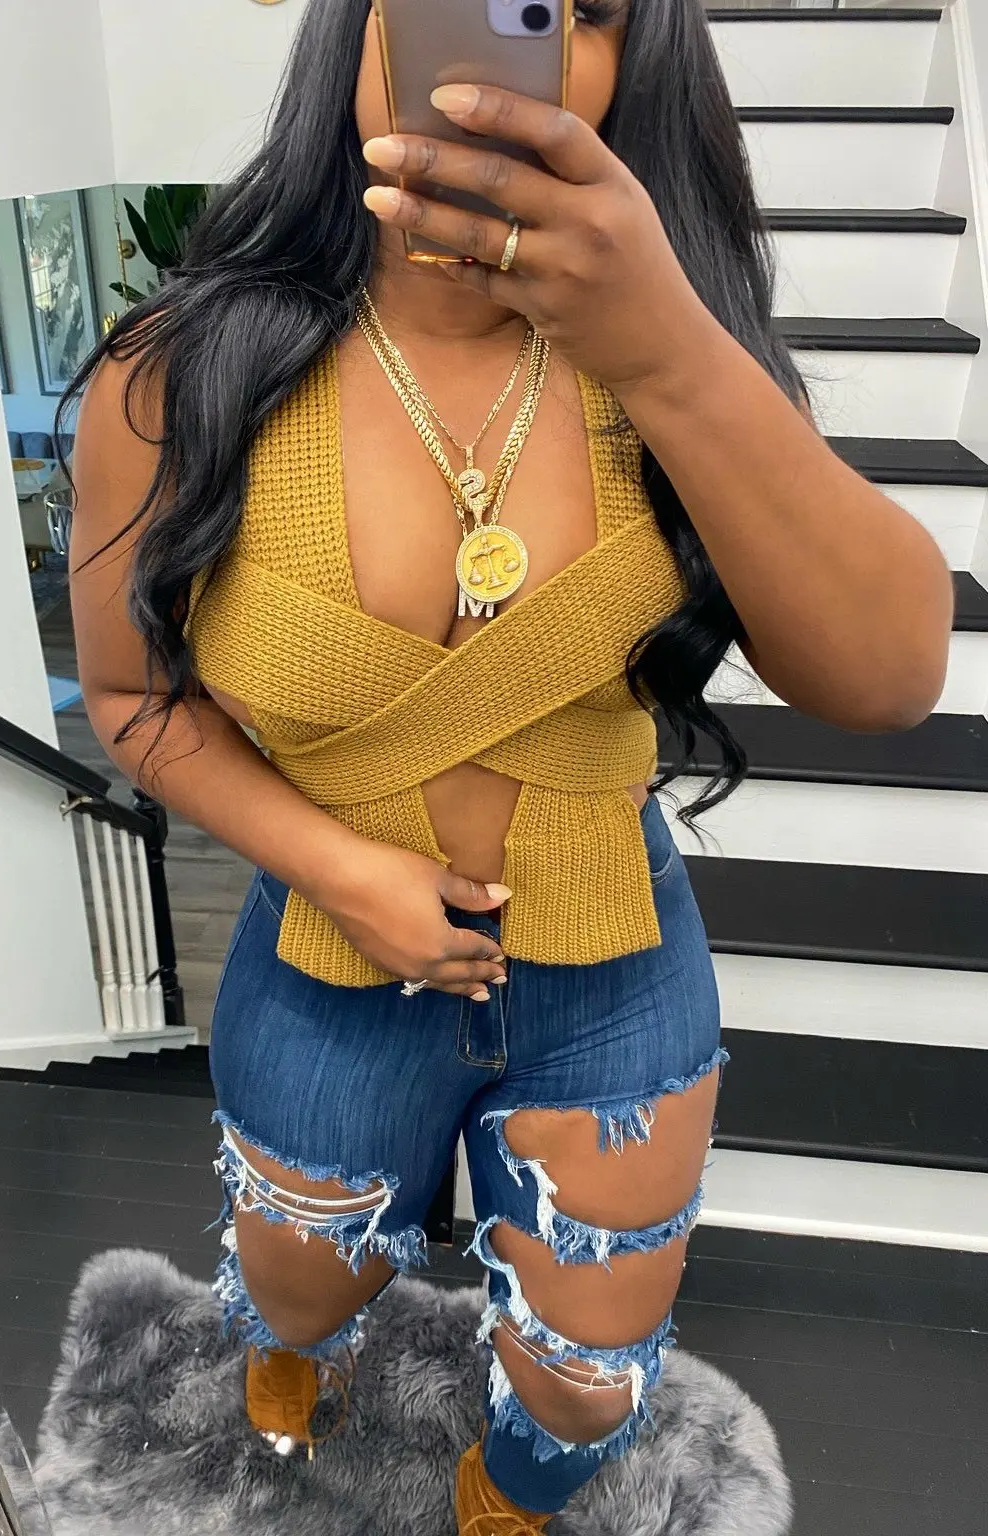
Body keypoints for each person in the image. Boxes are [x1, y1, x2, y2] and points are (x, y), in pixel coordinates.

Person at [66, 1, 953, 1528]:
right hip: (328, 956)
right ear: (357, 29)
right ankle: (294, 1354)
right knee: (295, 1287)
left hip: (611, 970)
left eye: (569, 8)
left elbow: (889, 678)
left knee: (587, 1382)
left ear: (630, 62)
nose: (490, 43)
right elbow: (131, 694)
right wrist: (341, 869)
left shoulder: (683, 371)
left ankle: (509, 1494)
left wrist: (666, 346)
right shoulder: (182, 375)